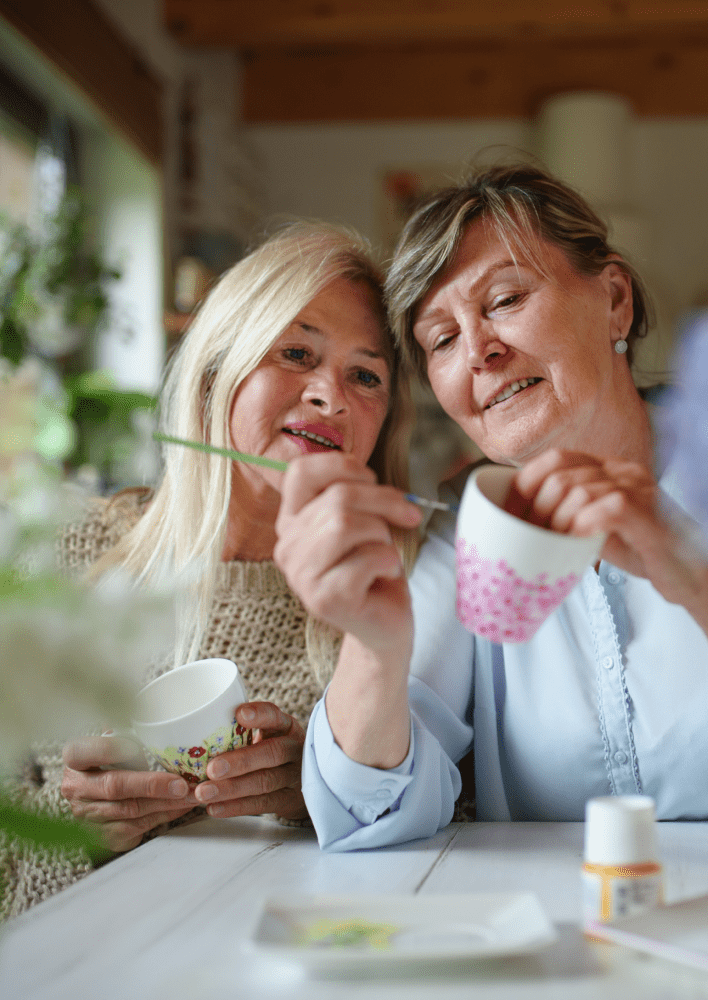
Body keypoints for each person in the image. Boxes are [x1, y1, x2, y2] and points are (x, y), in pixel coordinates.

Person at [279, 164, 708, 851]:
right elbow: (365, 814)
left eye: (506, 299)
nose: (480, 352)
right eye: (442, 340)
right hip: (559, 945)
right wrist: (376, 644)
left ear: (614, 302)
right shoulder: (469, 527)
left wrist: (697, 576)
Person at [0, 220, 420, 919]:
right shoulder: (58, 554)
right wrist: (79, 840)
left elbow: (448, 823)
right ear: (214, 375)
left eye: (366, 375)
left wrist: (321, 790)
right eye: (296, 352)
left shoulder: (389, 596)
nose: (331, 395)